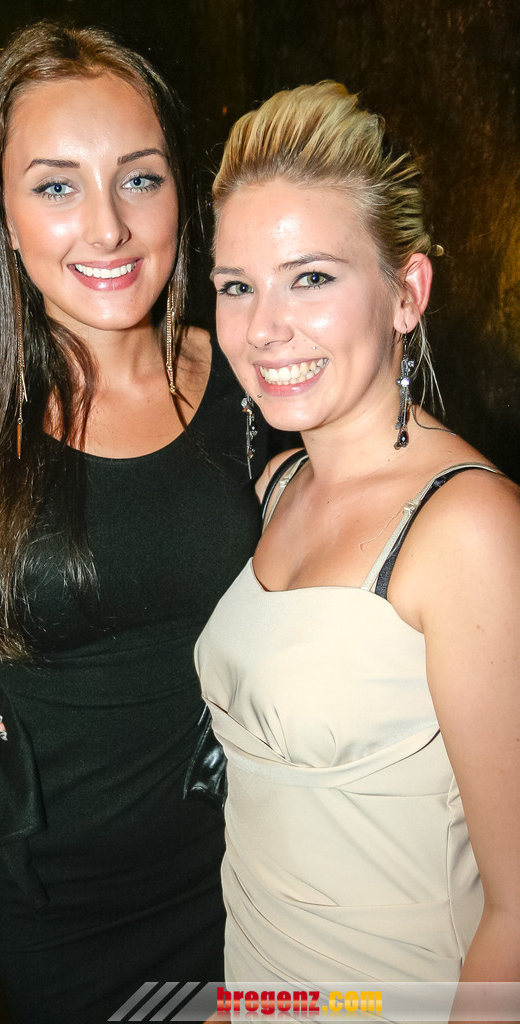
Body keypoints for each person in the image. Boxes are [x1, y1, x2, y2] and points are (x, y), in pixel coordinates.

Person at [0, 21, 272, 1024]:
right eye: (55, 187)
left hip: (265, 872)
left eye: (139, 178)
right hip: (64, 914)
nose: (108, 227)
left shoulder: (259, 382)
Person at [194, 82, 520, 1000]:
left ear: (406, 293)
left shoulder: (468, 531)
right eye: (237, 286)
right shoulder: (279, 485)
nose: (264, 329)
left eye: (311, 278)